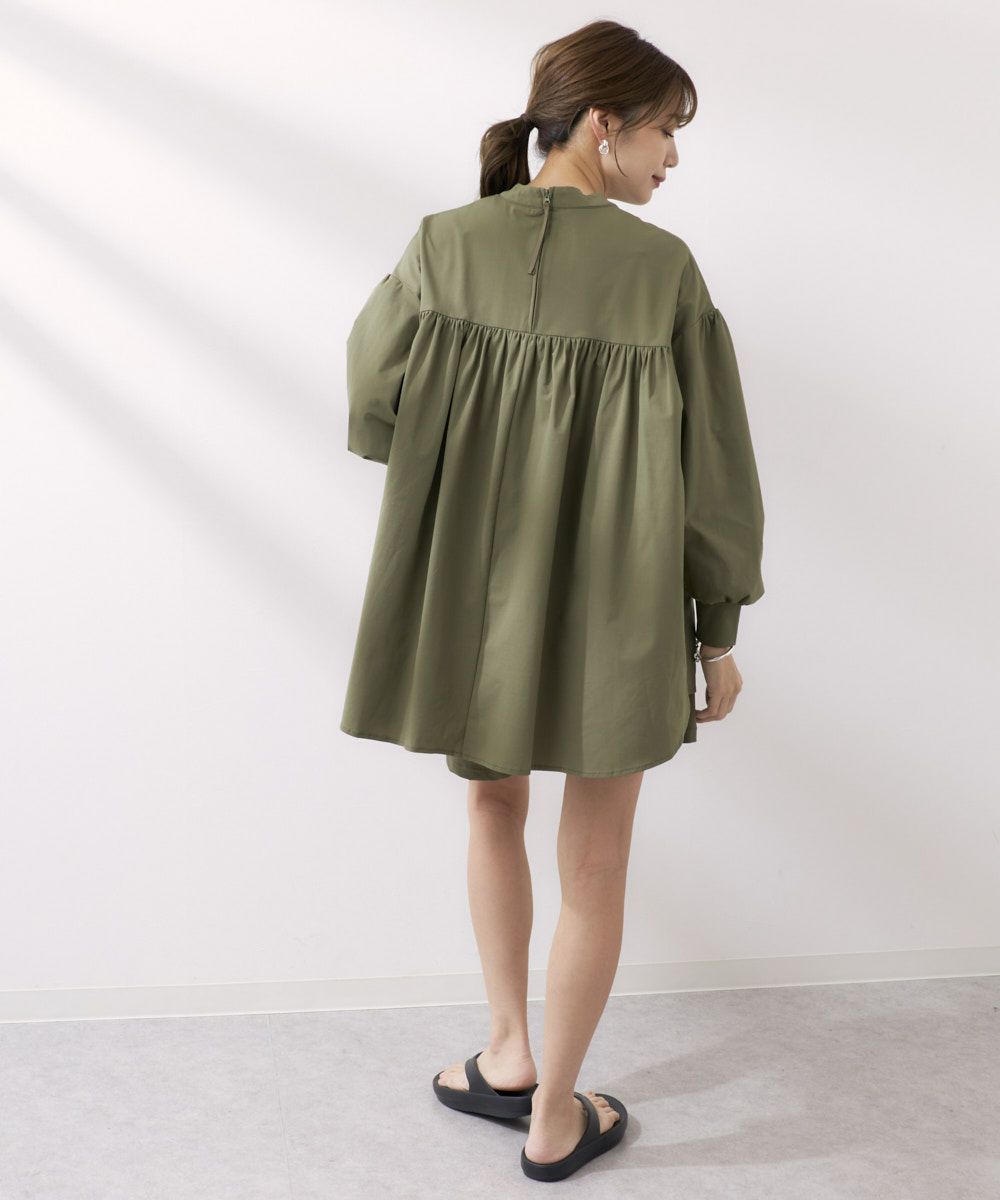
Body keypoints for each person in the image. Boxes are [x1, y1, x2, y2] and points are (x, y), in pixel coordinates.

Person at [340, 18, 765, 1183]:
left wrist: (467, 462)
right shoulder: (661, 271)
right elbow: (715, 476)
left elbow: (370, 402)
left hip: (474, 596)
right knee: (598, 860)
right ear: (602, 124)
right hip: (621, 602)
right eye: (666, 130)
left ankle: (508, 1052)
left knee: (491, 808)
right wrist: (717, 631)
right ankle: (556, 1114)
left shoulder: (443, 241)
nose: (672, 158)